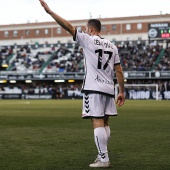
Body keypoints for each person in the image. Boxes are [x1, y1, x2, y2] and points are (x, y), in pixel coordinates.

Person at [39, 0, 125, 168]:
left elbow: (68, 26)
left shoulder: (87, 40)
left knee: (97, 122)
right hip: (109, 88)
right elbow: (119, 70)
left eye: (86, 28)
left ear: (91, 29)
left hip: (93, 87)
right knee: (105, 122)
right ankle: (102, 155)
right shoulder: (113, 47)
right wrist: (121, 91)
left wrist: (50, 12)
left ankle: (104, 159)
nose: (84, 30)